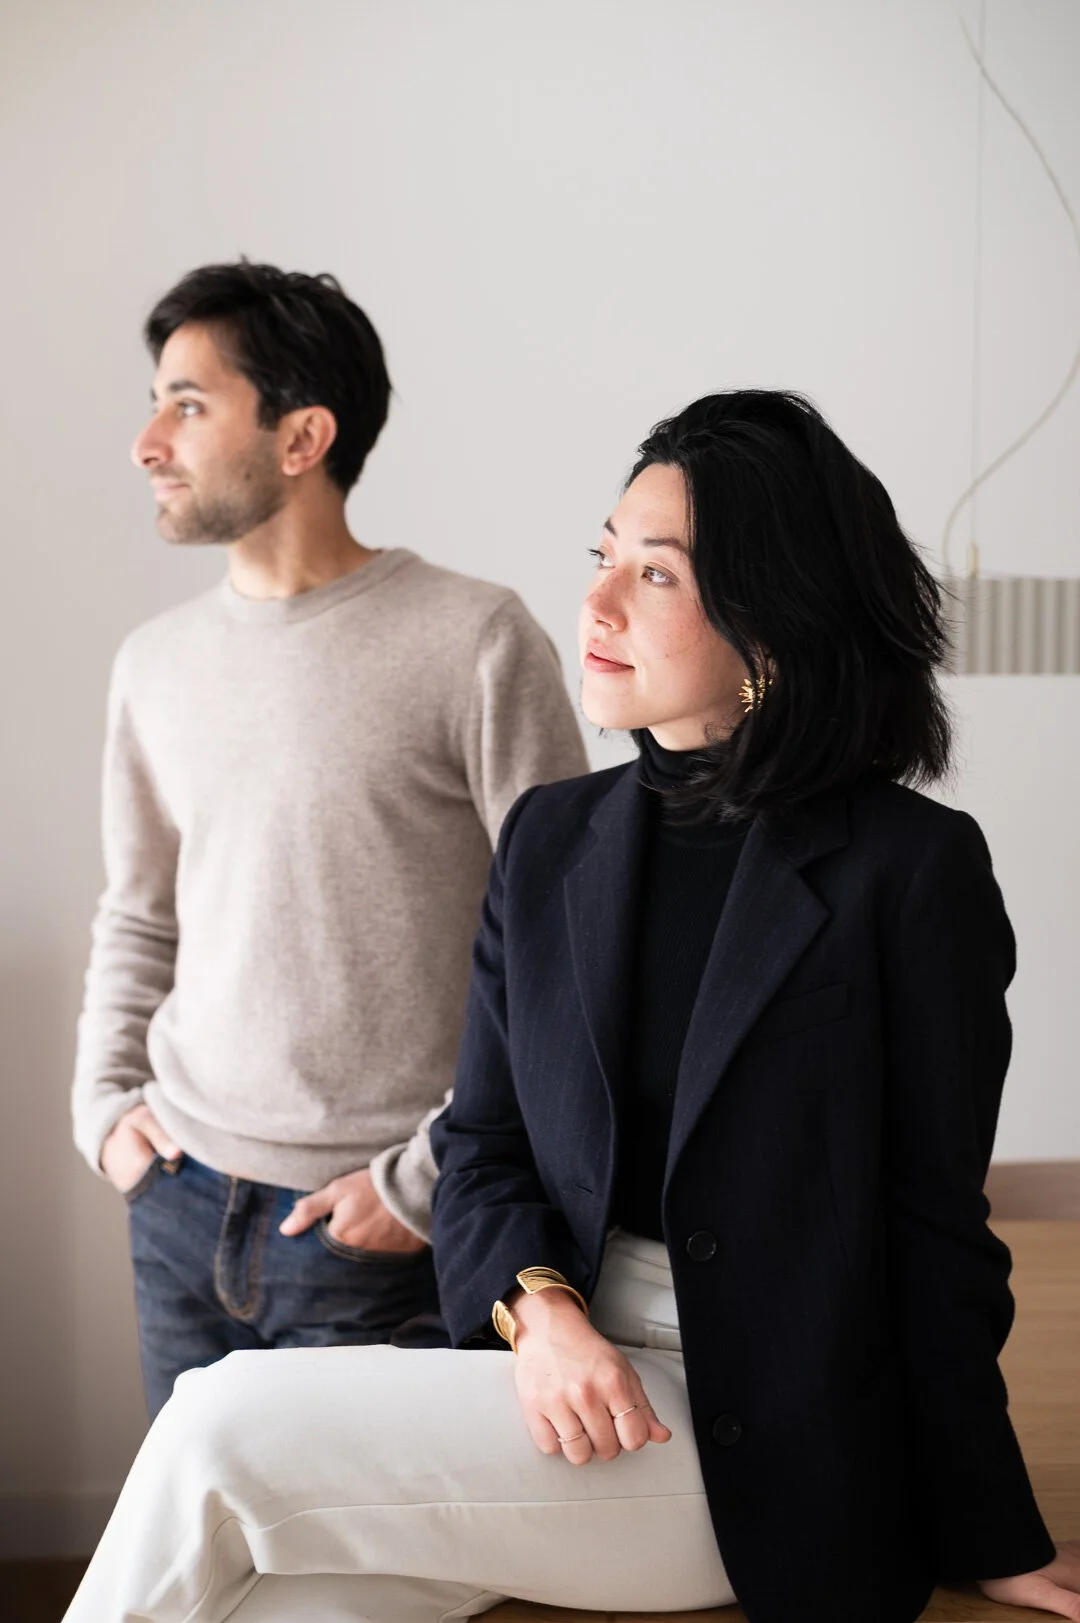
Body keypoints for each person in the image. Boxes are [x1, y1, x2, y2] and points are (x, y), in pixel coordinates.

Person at [64, 390, 1078, 1623]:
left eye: (655, 574)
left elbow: (935, 1228)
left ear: (773, 620)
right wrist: (538, 1312)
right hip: (553, 1385)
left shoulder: (908, 873)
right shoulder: (555, 840)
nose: (595, 602)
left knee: (219, 1421)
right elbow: (486, 1145)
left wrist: (990, 1527)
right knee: (281, 1609)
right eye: (604, 556)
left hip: (760, 1445)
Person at [71, 260, 587, 1417]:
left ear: (302, 437)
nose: (148, 444)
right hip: (176, 1198)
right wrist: (104, 1116)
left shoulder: (475, 639)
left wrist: (425, 1183)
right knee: (198, 1531)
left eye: (188, 405)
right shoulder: (154, 664)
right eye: (155, 405)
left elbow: (569, 947)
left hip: (373, 1232)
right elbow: (139, 912)